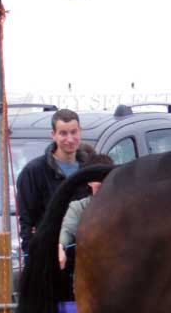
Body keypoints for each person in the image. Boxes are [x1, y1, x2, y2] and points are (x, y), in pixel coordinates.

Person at [16, 108, 89, 255]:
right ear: (53, 135)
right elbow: (26, 223)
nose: (69, 139)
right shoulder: (33, 172)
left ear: (80, 131)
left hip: (85, 256)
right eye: (63, 133)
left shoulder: (90, 169)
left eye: (73, 132)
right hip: (49, 256)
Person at [59, 153, 114, 272]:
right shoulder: (78, 207)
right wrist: (60, 246)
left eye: (106, 175)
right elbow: (67, 231)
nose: (103, 181)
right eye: (98, 176)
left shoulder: (124, 205)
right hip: (89, 274)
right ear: (89, 181)